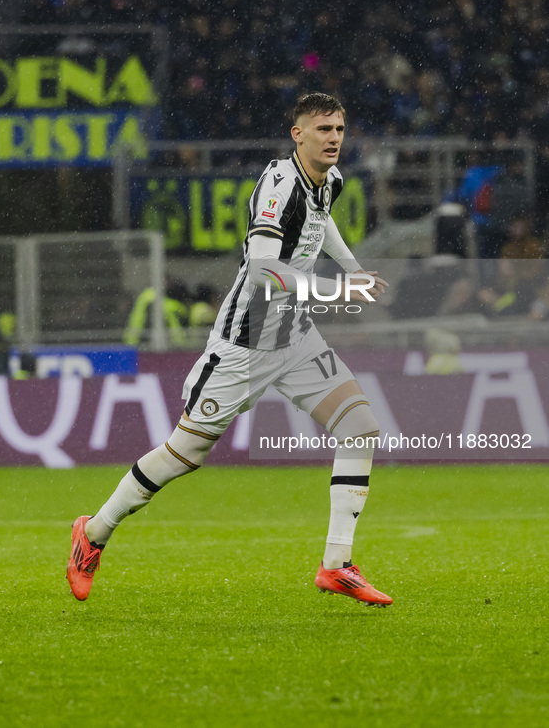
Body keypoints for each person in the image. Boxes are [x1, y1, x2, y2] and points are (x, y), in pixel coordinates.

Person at [67, 93, 393, 607]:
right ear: (297, 134)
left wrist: (351, 268)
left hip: (297, 336)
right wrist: (338, 290)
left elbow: (320, 222)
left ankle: (336, 565)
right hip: (245, 343)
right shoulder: (278, 186)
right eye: (323, 129)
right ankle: (94, 531)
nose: (334, 138)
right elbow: (263, 273)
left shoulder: (328, 181)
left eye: (340, 129)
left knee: (360, 428)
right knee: (184, 454)